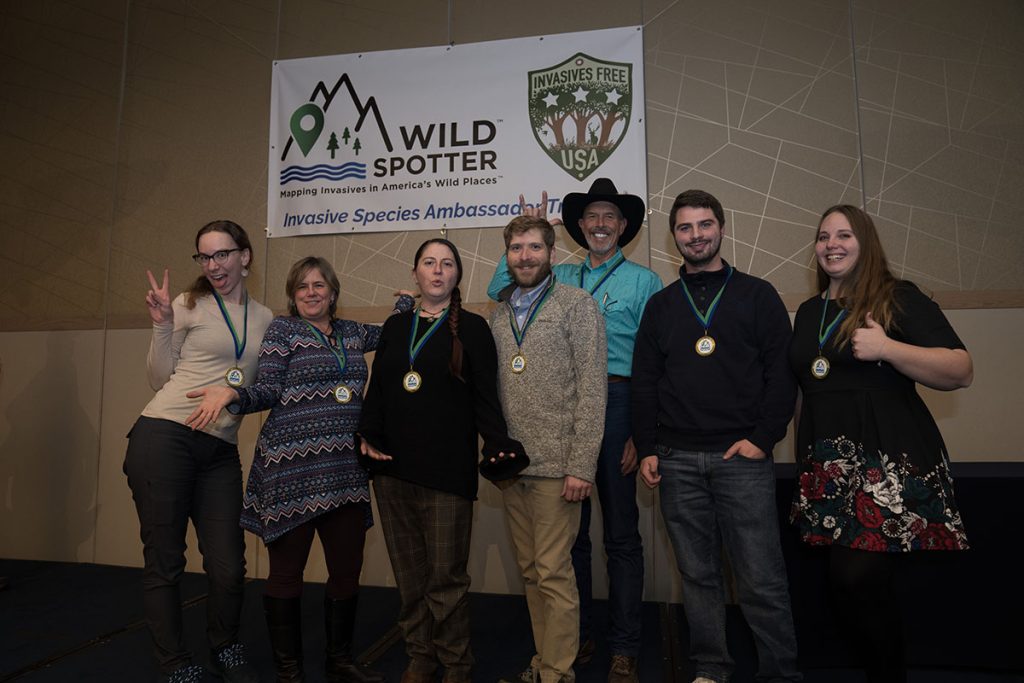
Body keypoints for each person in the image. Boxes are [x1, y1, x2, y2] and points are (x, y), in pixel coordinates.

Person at [186, 256, 414, 683]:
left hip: (345, 470)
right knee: (286, 573)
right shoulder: (283, 331)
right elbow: (268, 390)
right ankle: (289, 673)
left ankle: (339, 662)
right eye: (302, 286)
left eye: (319, 285)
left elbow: (391, 333)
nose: (311, 293)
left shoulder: (352, 333)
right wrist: (234, 394)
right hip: (292, 471)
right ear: (293, 295)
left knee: (346, 570)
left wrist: (407, 305)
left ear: (333, 292)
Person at [789, 205, 972, 682]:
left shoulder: (896, 297)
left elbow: (960, 369)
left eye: (844, 235)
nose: (832, 244)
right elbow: (807, 389)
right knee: (849, 587)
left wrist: (887, 348)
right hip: (829, 467)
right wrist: (804, 464)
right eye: (824, 236)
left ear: (865, 243)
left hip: (885, 463)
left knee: (855, 577)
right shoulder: (808, 313)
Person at [488, 179, 661, 682]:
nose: (600, 224)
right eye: (591, 217)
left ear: (623, 226)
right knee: (570, 543)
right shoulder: (558, 272)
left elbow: (656, 361)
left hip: (621, 401)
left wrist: (642, 432)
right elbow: (499, 289)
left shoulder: (645, 281)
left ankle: (624, 646)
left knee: (621, 535)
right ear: (578, 226)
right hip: (557, 408)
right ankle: (576, 636)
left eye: (610, 217)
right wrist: (532, 230)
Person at [632, 190, 802, 683]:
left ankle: (780, 673)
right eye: (685, 228)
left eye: (704, 225)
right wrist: (647, 447)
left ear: (721, 229)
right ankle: (711, 667)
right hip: (677, 460)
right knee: (698, 576)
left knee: (760, 578)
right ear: (675, 237)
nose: (696, 235)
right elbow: (644, 382)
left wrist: (763, 439)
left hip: (741, 459)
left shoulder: (758, 295)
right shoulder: (662, 306)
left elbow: (782, 375)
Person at [358, 238, 526, 683]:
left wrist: (498, 443)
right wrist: (367, 434)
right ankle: (420, 657)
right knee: (410, 577)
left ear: (457, 275)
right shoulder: (397, 326)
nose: (437, 270)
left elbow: (486, 396)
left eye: (447, 263)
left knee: (446, 580)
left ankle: (455, 664)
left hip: (447, 473)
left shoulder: (473, 328)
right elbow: (379, 388)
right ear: (415, 273)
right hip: (391, 471)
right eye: (429, 263)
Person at [124, 219, 273, 683]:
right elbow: (158, 377)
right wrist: (162, 325)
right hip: (164, 436)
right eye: (204, 257)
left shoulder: (265, 318)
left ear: (244, 257)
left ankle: (225, 646)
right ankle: (174, 663)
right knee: (166, 560)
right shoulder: (188, 304)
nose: (213, 265)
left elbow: (263, 384)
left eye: (222, 254)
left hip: (220, 448)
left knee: (229, 566)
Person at [490, 215, 607, 683]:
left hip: (559, 468)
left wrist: (582, 465)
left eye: (534, 247)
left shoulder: (577, 305)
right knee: (531, 572)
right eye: (517, 248)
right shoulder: (499, 315)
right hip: (513, 468)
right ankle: (543, 662)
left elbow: (593, 390)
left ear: (552, 254)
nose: (525, 256)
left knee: (554, 573)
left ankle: (558, 672)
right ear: (507, 256)